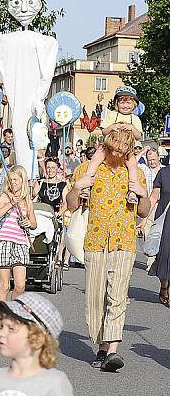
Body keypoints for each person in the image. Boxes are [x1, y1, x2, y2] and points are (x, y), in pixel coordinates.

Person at [67, 129, 150, 372]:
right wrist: (77, 188)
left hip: (124, 242)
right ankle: (102, 346)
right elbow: (72, 206)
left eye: (121, 150)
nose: (116, 154)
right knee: (95, 298)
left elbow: (143, 211)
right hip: (95, 241)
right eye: (112, 149)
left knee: (118, 296)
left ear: (128, 150)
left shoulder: (136, 173)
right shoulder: (86, 170)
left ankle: (112, 350)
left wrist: (142, 195)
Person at [0, 166, 36, 325]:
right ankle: (1, 320)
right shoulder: (5, 196)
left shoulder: (27, 200)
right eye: (10, 180)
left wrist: (27, 223)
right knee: (4, 285)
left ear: (22, 181)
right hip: (3, 241)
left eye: (16, 180)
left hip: (20, 243)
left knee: (20, 285)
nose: (12, 183)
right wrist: (10, 203)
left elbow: (34, 223)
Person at [92, 86, 143, 204]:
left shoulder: (134, 119)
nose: (125, 106)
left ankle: (132, 191)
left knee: (133, 165)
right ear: (117, 104)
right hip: (109, 147)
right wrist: (112, 127)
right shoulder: (112, 115)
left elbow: (138, 136)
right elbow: (104, 131)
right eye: (122, 103)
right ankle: (88, 180)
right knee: (96, 158)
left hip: (126, 150)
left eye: (128, 103)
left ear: (134, 105)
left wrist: (131, 128)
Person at [147, 162, 170, 306]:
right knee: (164, 256)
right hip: (165, 220)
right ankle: (164, 286)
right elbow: (154, 197)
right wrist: (144, 219)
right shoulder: (163, 173)